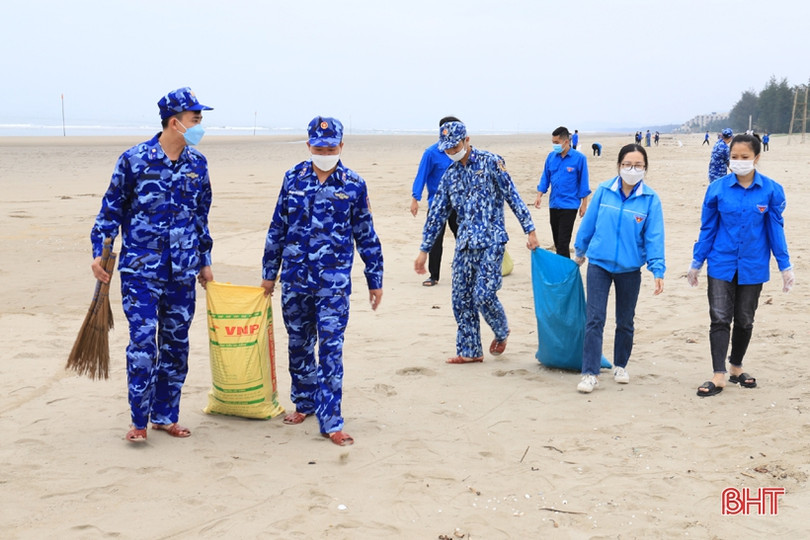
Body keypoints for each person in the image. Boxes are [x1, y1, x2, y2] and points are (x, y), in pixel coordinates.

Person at [90, 87, 215, 443]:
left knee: (176, 346)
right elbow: (110, 212)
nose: (200, 126)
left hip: (182, 273)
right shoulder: (134, 160)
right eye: (195, 119)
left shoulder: (197, 165)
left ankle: (165, 415)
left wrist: (205, 262)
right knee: (143, 345)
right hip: (141, 272)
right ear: (175, 123)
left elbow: (200, 219)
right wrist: (99, 253)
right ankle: (138, 421)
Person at [262, 116, 383, 446]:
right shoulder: (293, 178)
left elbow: (366, 234)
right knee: (299, 344)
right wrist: (268, 275)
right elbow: (277, 228)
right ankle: (304, 403)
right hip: (295, 280)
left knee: (330, 348)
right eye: (318, 147)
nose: (324, 152)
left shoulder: (353, 184)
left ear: (341, 146)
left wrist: (375, 278)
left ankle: (331, 420)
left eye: (330, 147)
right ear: (308, 146)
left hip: (333, 283)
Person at [414, 121, 539, 364]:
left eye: (455, 146)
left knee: (483, 294)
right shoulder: (450, 175)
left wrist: (530, 229)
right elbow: (437, 214)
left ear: (467, 140)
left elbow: (512, 195)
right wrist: (424, 249)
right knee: (460, 298)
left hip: (492, 241)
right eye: (447, 149)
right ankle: (470, 351)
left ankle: (501, 331)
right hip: (464, 244)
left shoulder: (490, 162)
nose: (452, 152)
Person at [688, 134, 794, 397]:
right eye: (734, 157)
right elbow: (708, 228)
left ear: (756, 158)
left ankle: (735, 368)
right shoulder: (717, 189)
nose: (739, 162)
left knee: (745, 320)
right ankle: (718, 374)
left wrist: (785, 266)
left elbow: (775, 230)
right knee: (720, 318)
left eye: (744, 157)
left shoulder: (770, 190)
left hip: (754, 264)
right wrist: (696, 262)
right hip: (721, 262)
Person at [573, 144, 665, 393]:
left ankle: (620, 365)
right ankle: (590, 372)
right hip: (599, 265)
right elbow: (588, 224)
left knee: (625, 320)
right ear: (619, 165)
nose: (632, 169)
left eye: (638, 165)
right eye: (627, 164)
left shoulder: (650, 199)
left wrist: (658, 270)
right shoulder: (604, 190)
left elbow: (654, 237)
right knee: (595, 319)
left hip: (629, 268)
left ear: (645, 168)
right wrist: (579, 253)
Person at [410, 116, 460, 287]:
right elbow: (421, 176)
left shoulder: (460, 151)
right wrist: (415, 198)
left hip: (458, 204)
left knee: (463, 238)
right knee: (435, 240)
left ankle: (464, 270)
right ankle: (434, 275)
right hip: (436, 205)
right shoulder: (431, 153)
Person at [534, 126, 591, 258]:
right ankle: (563, 269)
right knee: (557, 241)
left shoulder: (579, 158)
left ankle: (564, 274)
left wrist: (584, 204)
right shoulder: (551, 157)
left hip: (570, 205)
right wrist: (539, 195)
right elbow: (545, 177)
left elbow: (584, 182)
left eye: (556, 143)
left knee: (563, 243)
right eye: (553, 142)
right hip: (554, 204)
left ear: (566, 141)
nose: (554, 146)